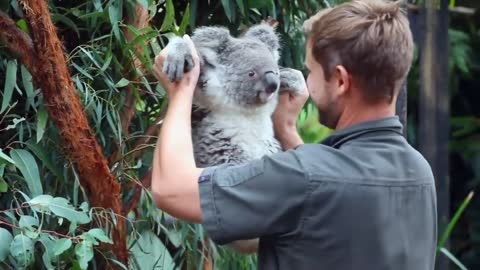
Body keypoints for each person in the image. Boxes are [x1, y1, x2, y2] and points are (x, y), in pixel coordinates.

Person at [150, 0, 438, 269]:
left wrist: (181, 92)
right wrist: (286, 129)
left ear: (340, 80)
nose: (305, 82)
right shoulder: (419, 173)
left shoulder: (304, 178)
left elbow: (172, 190)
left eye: (310, 71)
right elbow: (318, 210)